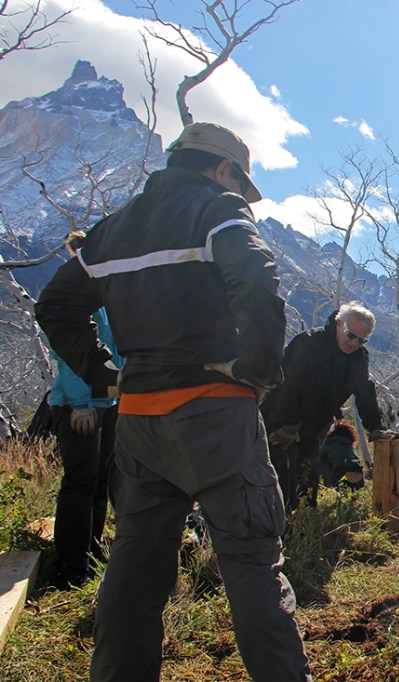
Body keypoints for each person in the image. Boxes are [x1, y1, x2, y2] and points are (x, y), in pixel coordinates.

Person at [34, 122, 312, 681]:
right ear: (223, 169)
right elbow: (257, 282)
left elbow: (55, 305)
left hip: (140, 423)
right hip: (215, 415)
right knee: (253, 564)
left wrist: (104, 374)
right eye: (239, 179)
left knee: (135, 569)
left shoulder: (113, 229)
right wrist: (257, 371)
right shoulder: (217, 208)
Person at [260, 302, 399, 511]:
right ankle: (274, 538)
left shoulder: (358, 357)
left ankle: (303, 532)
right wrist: (288, 423)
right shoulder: (308, 343)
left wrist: (375, 428)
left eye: (362, 340)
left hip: (313, 429)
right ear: (338, 324)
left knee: (307, 486)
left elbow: (365, 392)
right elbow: (285, 384)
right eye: (350, 335)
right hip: (279, 425)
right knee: (278, 485)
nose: (354, 343)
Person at [48, 307, 122, 589]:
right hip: (77, 405)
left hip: (110, 403)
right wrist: (80, 403)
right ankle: (70, 568)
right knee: (81, 483)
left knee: (102, 480)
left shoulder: (112, 296)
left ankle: (91, 555)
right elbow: (69, 354)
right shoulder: (78, 300)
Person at [319, 417, 364, 490]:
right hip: (359, 481)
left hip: (339, 476)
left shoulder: (329, 443)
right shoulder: (349, 446)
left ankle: (327, 485)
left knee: (320, 462)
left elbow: (320, 456)